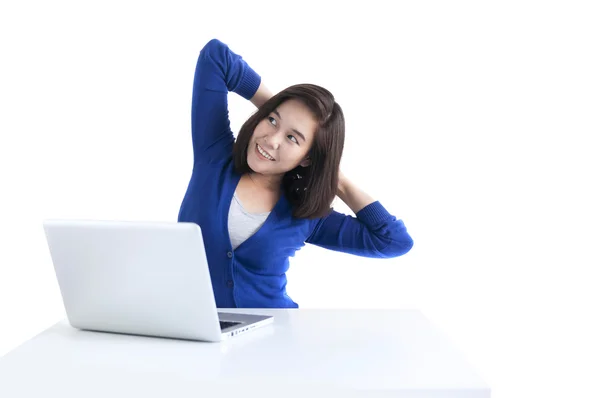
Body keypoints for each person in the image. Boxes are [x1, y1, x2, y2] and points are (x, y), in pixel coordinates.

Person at [178, 38, 413, 308]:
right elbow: (216, 57)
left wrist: (340, 182)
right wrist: (275, 106)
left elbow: (394, 241)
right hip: (194, 333)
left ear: (308, 158)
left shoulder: (307, 216)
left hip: (274, 339)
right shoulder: (214, 156)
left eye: (293, 138)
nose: (271, 139)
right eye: (272, 120)